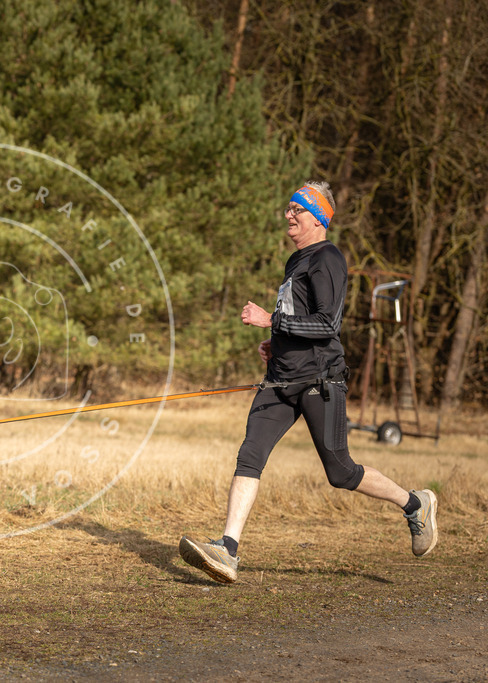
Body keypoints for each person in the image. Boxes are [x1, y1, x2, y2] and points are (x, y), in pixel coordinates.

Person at [178, 180, 438, 584]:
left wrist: (271, 320)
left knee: (340, 471)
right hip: (280, 381)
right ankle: (227, 550)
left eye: (296, 210)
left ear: (317, 217)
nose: (288, 216)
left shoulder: (327, 258)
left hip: (320, 381)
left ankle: (414, 503)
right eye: (288, 209)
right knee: (250, 455)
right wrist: (275, 343)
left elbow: (327, 323)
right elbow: (301, 322)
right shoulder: (294, 261)